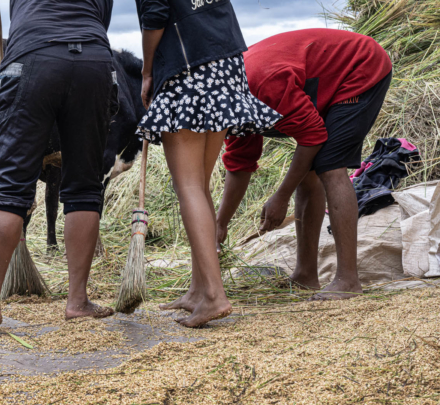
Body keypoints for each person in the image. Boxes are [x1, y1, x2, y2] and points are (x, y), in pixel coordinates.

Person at [0, 0, 117, 330]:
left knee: (11, 188)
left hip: (33, 57)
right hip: (94, 62)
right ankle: (78, 301)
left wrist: (17, 87)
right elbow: (101, 19)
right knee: (85, 187)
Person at [216, 29, 392, 299]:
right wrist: (220, 224)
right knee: (308, 174)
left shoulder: (263, 86)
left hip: (359, 66)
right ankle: (306, 275)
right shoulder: (227, 111)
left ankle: (348, 280)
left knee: (329, 166)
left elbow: (312, 137)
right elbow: (240, 165)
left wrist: (281, 197)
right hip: (318, 79)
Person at [135, 0, 281, 327]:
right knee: (199, 184)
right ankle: (198, 290)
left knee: (188, 186)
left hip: (188, 67)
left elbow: (155, 14)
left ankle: (214, 296)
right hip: (226, 62)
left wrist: (147, 71)